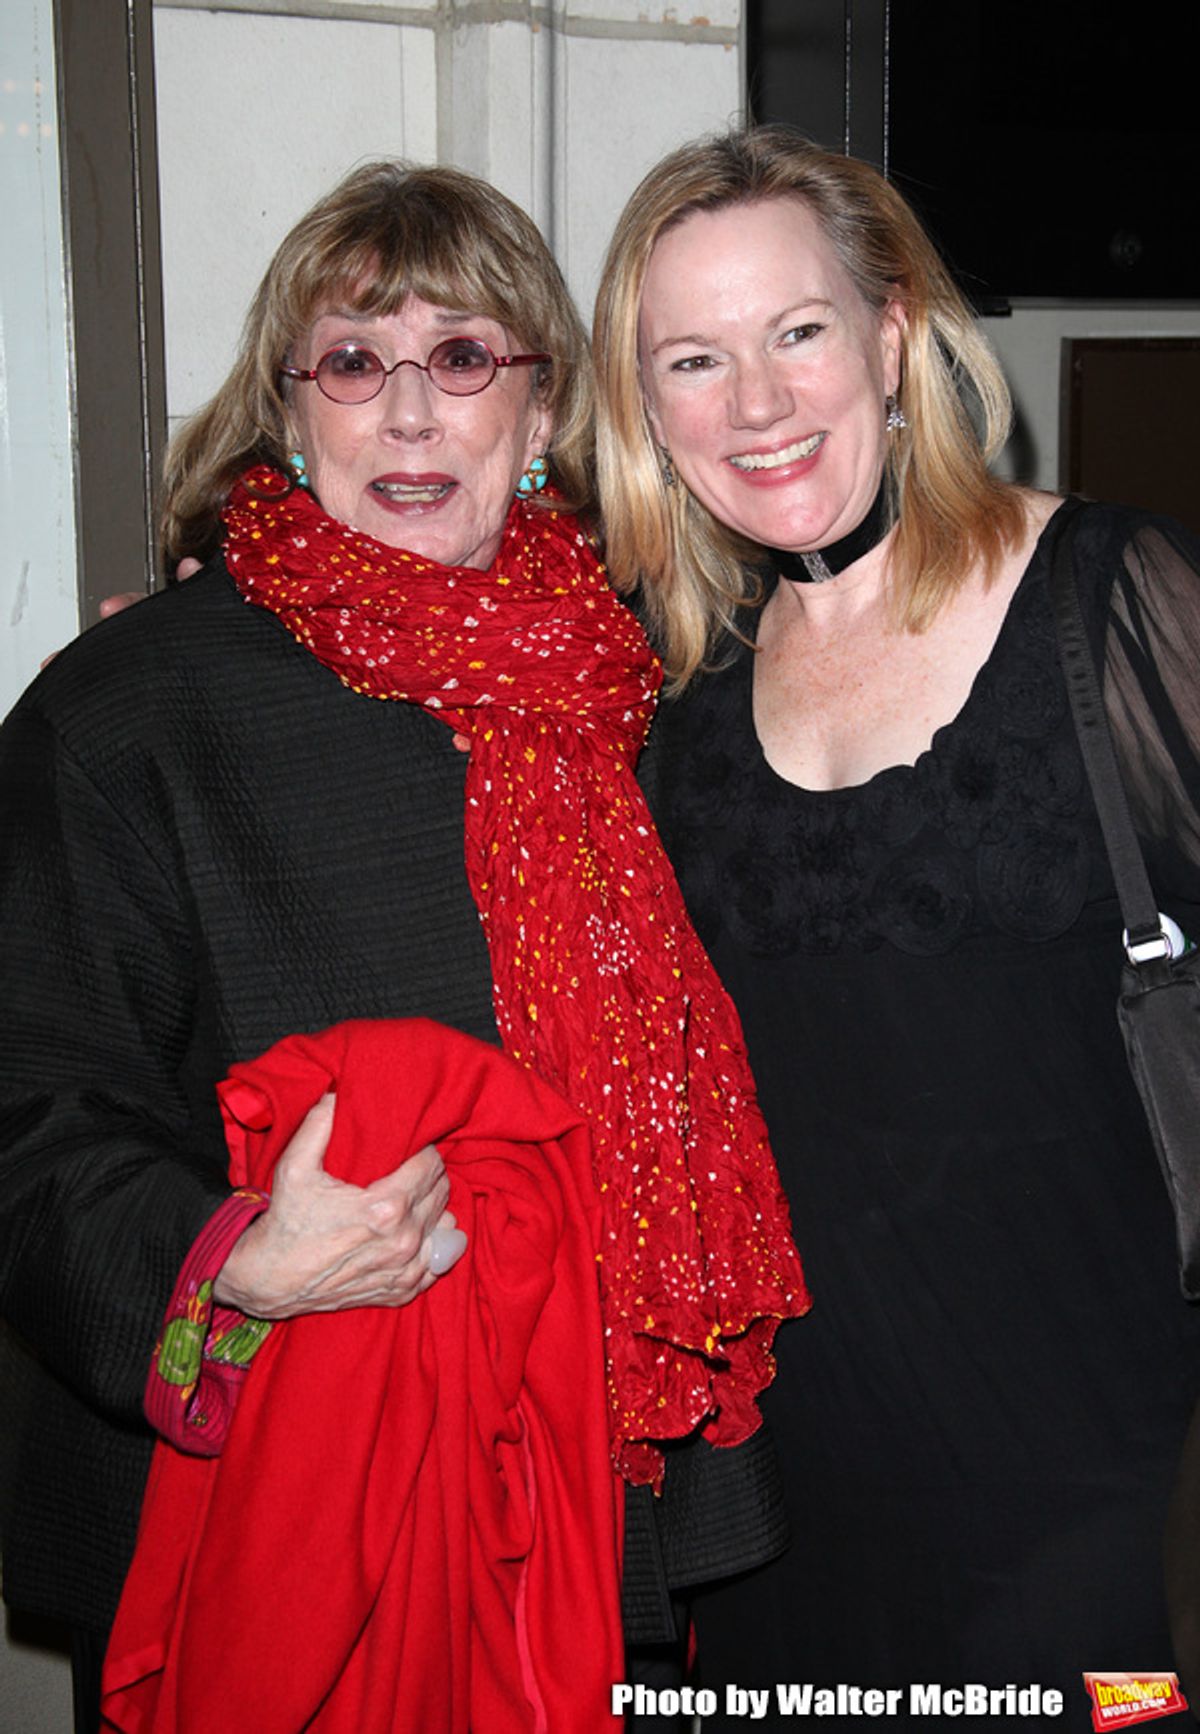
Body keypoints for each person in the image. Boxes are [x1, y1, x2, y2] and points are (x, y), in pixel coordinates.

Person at [0, 159, 807, 1733]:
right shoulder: (129, 711)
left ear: (548, 406)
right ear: (290, 410)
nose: (415, 415)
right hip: (283, 1507)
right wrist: (241, 1266)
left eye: (464, 355)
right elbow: (30, 1111)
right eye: (356, 361)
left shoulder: (653, 692)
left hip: (592, 1481)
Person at [593, 124, 1200, 1730]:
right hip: (780, 1549)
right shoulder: (672, 710)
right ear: (647, 413)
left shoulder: (1121, 601)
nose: (761, 404)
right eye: (696, 362)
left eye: (798, 332)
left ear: (890, 330)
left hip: (1111, 1534)